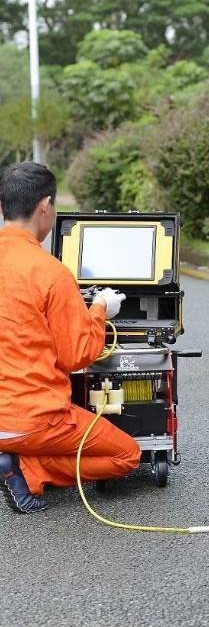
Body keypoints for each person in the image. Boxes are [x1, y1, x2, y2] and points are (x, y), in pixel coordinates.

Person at [0, 162, 140, 514]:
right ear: (45, 206)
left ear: (3, 207)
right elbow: (75, 355)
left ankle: (18, 456)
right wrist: (100, 309)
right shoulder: (51, 272)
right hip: (32, 419)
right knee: (128, 455)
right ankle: (29, 468)